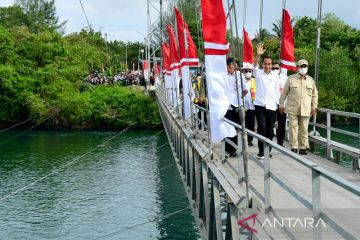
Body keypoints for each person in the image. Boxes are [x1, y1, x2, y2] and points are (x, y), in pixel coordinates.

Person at [279, 59, 318, 155]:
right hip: (293, 108)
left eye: (305, 66)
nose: (303, 68)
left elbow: (315, 94)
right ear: (298, 68)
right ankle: (294, 146)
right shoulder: (291, 79)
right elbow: (284, 93)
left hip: (306, 108)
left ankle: (303, 148)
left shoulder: (311, 81)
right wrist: (281, 104)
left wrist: (314, 106)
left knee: (304, 129)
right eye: (301, 66)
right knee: (293, 128)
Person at [253, 44, 279, 159]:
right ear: (262, 65)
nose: (267, 66)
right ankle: (261, 152)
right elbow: (254, 66)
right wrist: (258, 55)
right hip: (260, 105)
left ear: (271, 65)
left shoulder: (275, 75)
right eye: (265, 64)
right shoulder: (258, 74)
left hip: (272, 106)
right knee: (261, 128)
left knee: (270, 130)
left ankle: (268, 150)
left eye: (269, 64)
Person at [224, 57, 247, 157]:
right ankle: (226, 149)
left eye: (231, 64)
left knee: (235, 128)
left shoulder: (239, 76)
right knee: (226, 128)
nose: (230, 66)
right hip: (225, 105)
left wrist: (239, 99)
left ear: (234, 65)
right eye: (228, 64)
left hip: (236, 105)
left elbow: (245, 90)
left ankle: (233, 149)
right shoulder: (223, 76)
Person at [272, 62, 288, 146]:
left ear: (280, 69)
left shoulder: (284, 78)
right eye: (273, 68)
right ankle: (268, 140)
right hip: (272, 103)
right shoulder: (269, 77)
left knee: (282, 124)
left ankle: (280, 141)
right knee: (270, 123)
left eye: (276, 68)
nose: (275, 70)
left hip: (281, 103)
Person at [242, 62, 256, 146]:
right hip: (243, 105)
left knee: (251, 124)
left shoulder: (254, 80)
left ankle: (250, 140)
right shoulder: (240, 80)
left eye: (250, 71)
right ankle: (243, 139)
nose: (248, 72)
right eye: (246, 71)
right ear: (243, 71)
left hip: (252, 105)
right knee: (243, 123)